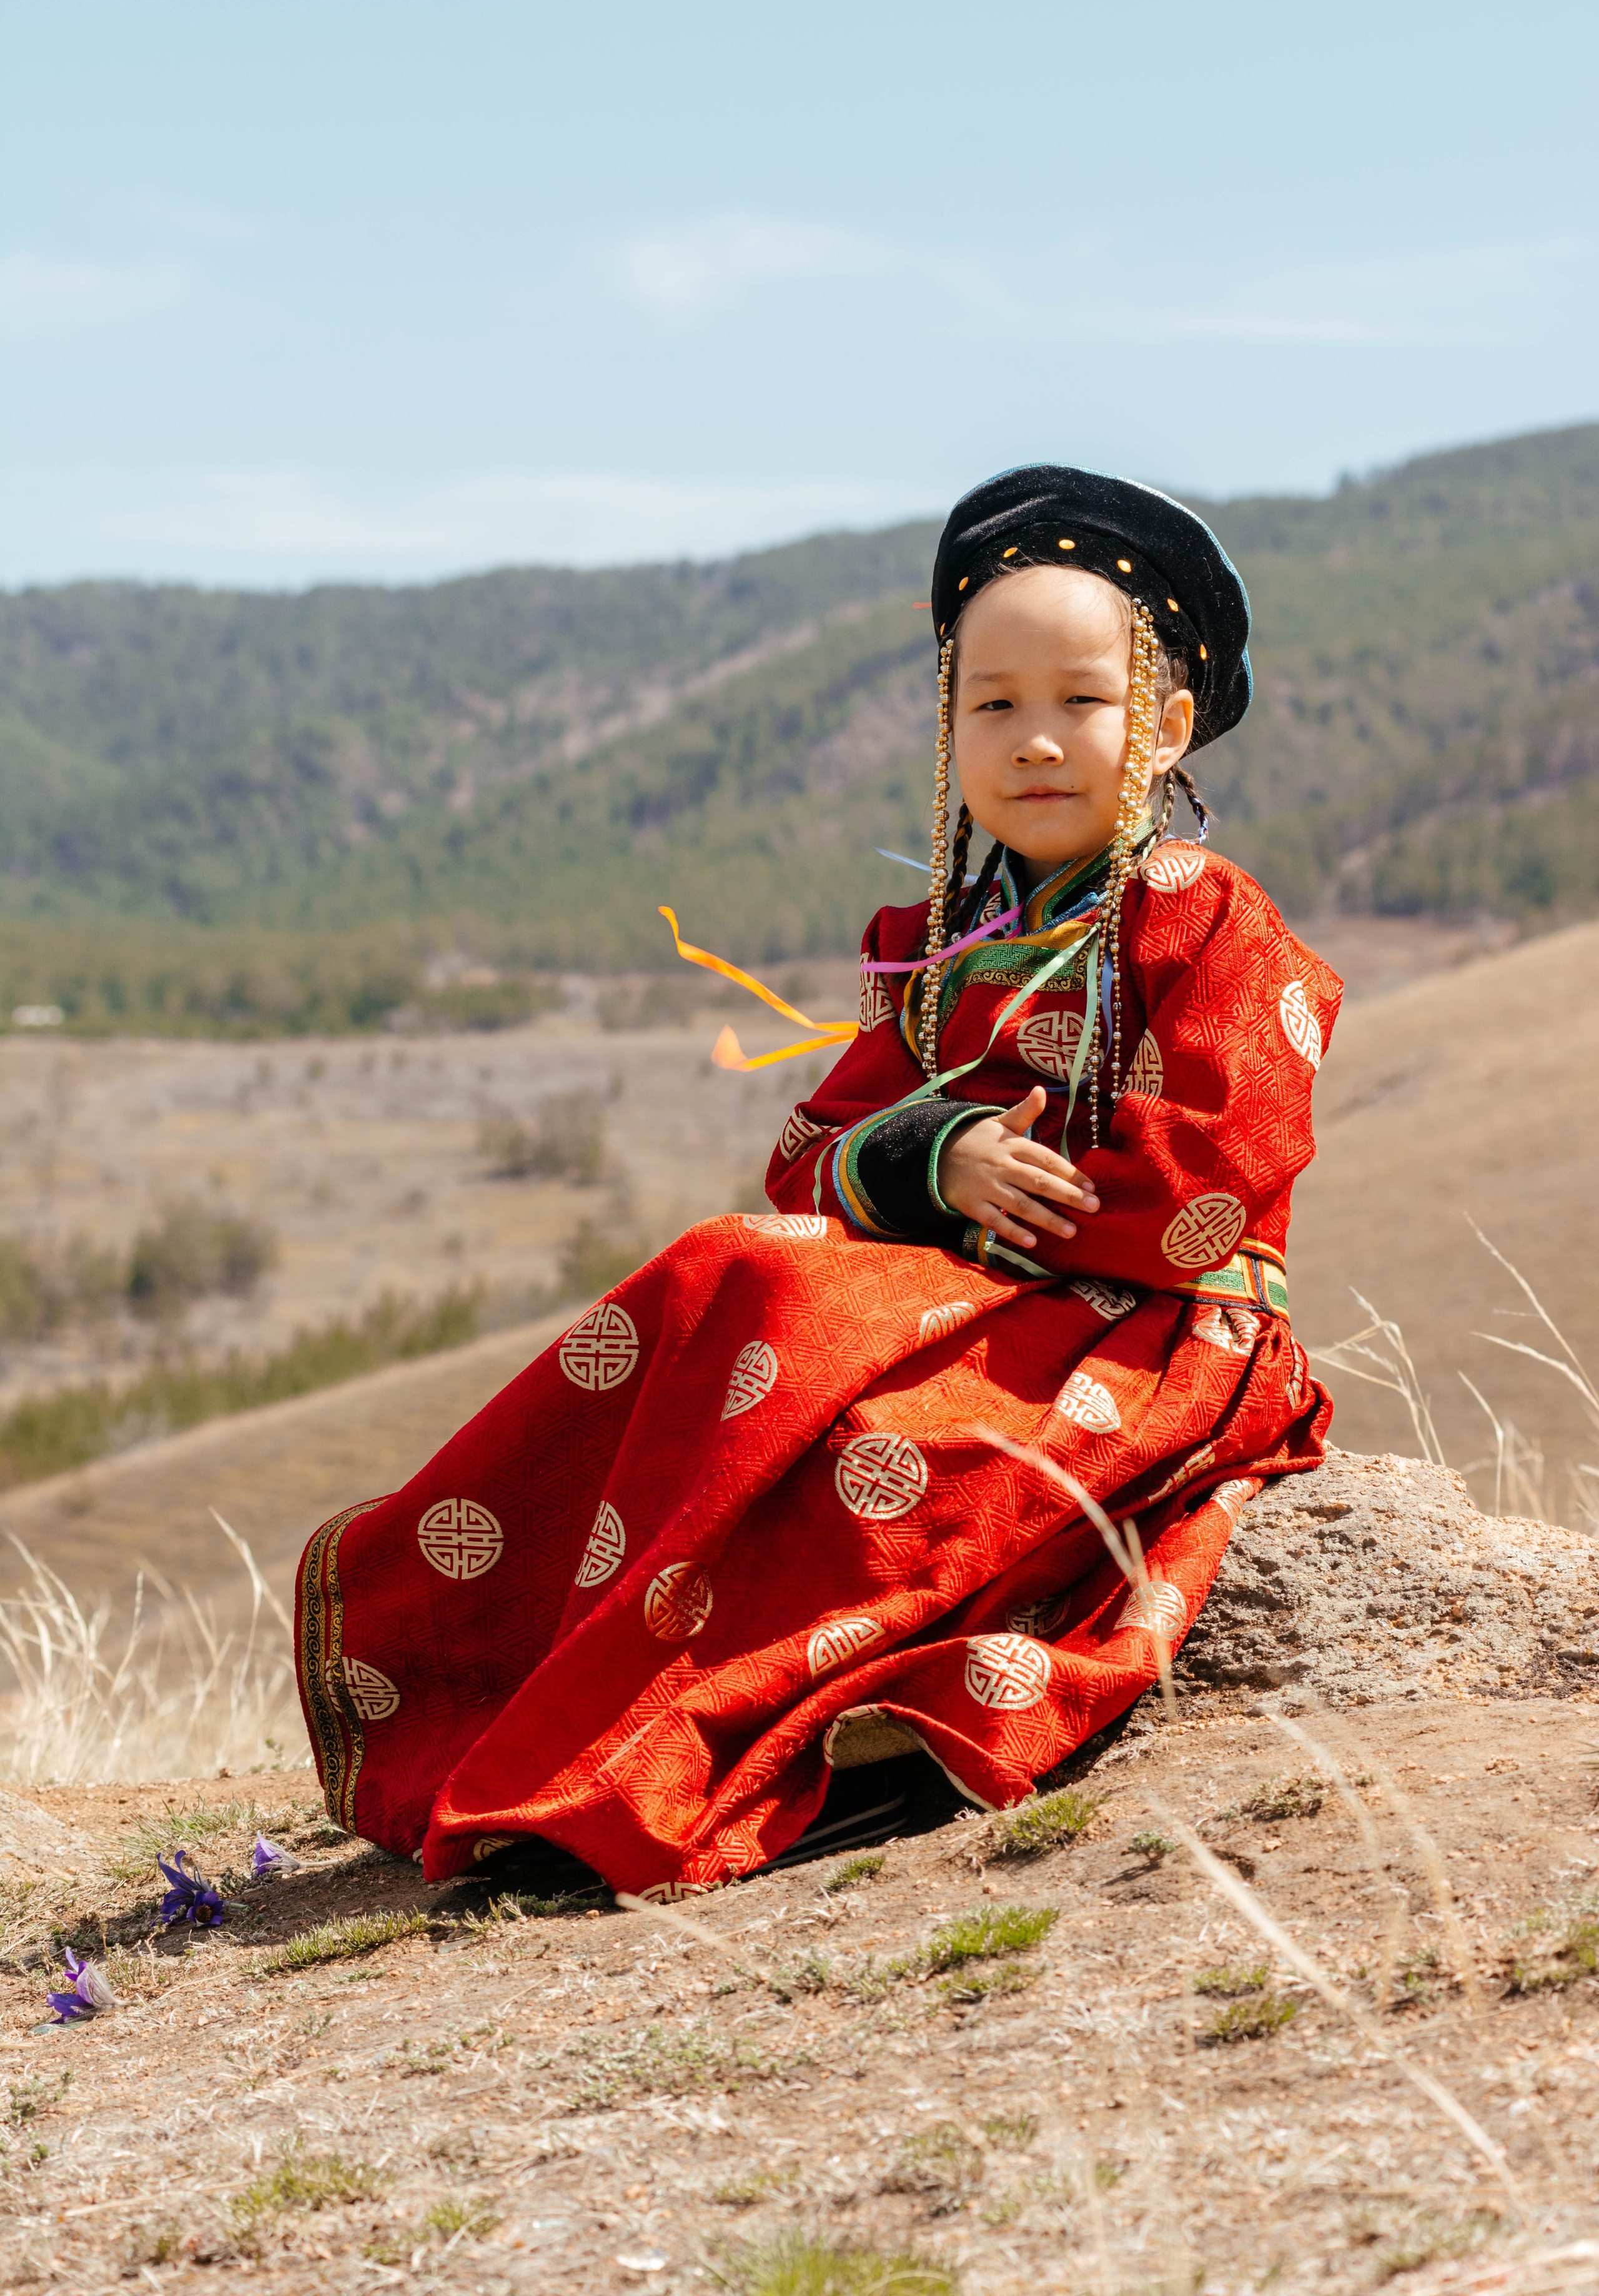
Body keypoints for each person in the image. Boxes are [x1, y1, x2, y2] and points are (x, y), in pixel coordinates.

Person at [296, 465, 1340, 1898]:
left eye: (1079, 704)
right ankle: (530, 1699)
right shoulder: (931, 943)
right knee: (729, 1265)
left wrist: (1010, 1211)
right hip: (964, 1290)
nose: (1034, 741)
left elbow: (1218, 1178)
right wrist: (929, 1158)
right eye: (992, 705)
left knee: (835, 1364)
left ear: (1159, 729)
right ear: (947, 727)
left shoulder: (1202, 918)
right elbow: (807, 1154)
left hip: (1145, 1317)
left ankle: (735, 1752)